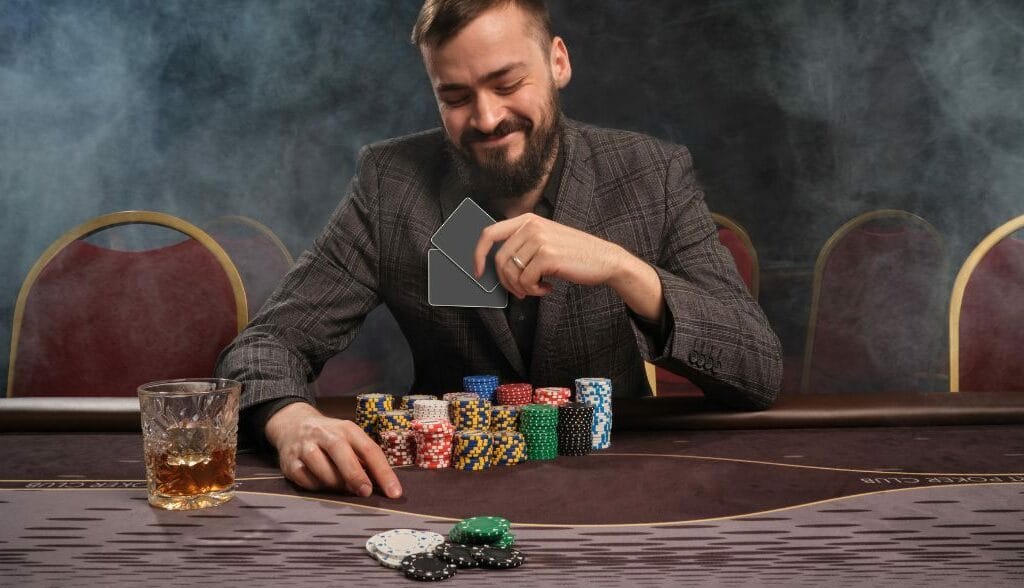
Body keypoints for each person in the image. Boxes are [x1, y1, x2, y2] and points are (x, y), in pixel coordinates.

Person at [215, 0, 783, 500]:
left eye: (508, 85)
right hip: (445, 488)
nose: (487, 118)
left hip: (620, 478)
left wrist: (624, 270)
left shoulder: (650, 174)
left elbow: (757, 368)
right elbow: (267, 344)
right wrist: (288, 421)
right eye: (456, 97)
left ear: (557, 62)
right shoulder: (393, 183)